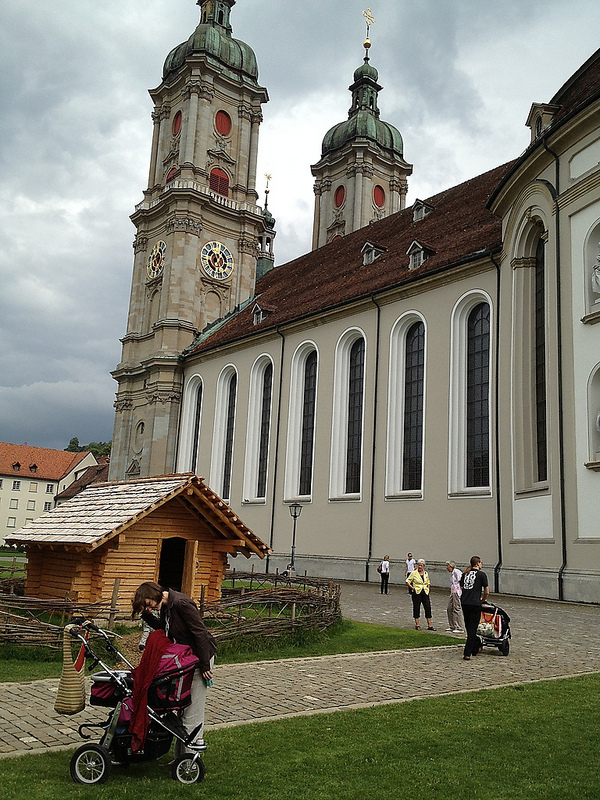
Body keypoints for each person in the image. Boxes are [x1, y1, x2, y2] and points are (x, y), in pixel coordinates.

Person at [132, 581, 216, 753]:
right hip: (187, 658)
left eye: (148, 604)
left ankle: (190, 758)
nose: (150, 608)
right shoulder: (166, 606)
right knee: (183, 705)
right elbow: (165, 629)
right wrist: (145, 615)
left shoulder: (181, 604)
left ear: (154, 593)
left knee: (193, 709)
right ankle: (180, 756)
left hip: (200, 658)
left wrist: (205, 664)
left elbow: (200, 633)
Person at [460, 556, 489, 661]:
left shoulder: (465, 574)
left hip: (464, 602)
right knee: (472, 629)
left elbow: (462, 587)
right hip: (474, 603)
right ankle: (467, 653)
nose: (482, 564)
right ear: (477, 563)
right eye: (481, 562)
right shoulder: (482, 575)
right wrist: (483, 600)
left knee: (469, 627)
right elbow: (486, 591)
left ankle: (475, 646)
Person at [406, 559, 436, 630]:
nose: (420, 567)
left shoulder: (426, 573)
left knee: (428, 607)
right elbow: (407, 581)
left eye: (421, 565)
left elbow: (428, 581)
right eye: (418, 565)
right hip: (417, 592)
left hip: (425, 591)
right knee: (416, 607)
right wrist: (412, 588)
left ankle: (429, 625)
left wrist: (428, 587)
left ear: (424, 566)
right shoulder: (414, 573)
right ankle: (417, 624)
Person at [445, 561, 464, 633]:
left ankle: (459, 627)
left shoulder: (456, 572)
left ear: (451, 566)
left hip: (456, 592)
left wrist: (460, 591)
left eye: (447, 566)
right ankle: (452, 625)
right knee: (449, 608)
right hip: (453, 592)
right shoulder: (453, 573)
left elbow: (461, 581)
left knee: (456, 609)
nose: (446, 568)